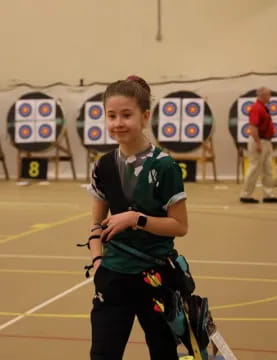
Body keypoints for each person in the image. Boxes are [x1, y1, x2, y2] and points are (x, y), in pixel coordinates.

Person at [86, 75, 188, 360]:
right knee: (103, 354)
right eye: (111, 115)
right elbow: (96, 225)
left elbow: (180, 226)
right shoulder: (103, 166)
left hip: (155, 277)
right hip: (112, 277)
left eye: (126, 115)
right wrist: (97, 262)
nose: (118, 123)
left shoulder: (165, 166)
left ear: (145, 116)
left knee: (164, 353)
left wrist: (136, 219)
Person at [240, 87, 277, 204]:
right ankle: (246, 195)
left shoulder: (263, 108)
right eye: (268, 95)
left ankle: (268, 195)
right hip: (259, 141)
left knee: (268, 169)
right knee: (254, 168)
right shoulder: (256, 108)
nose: (270, 97)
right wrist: (258, 143)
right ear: (262, 95)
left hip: (266, 141)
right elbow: (253, 127)